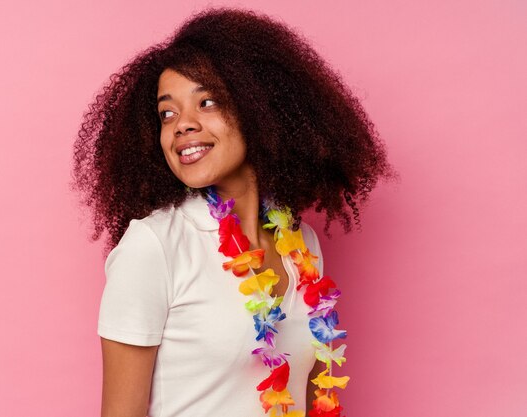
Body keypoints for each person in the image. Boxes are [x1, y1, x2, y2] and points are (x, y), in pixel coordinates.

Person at [72, 7, 392, 417]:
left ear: (260, 110)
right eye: (167, 113)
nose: (182, 125)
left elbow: (310, 395)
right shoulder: (154, 246)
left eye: (206, 102)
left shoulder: (302, 246)